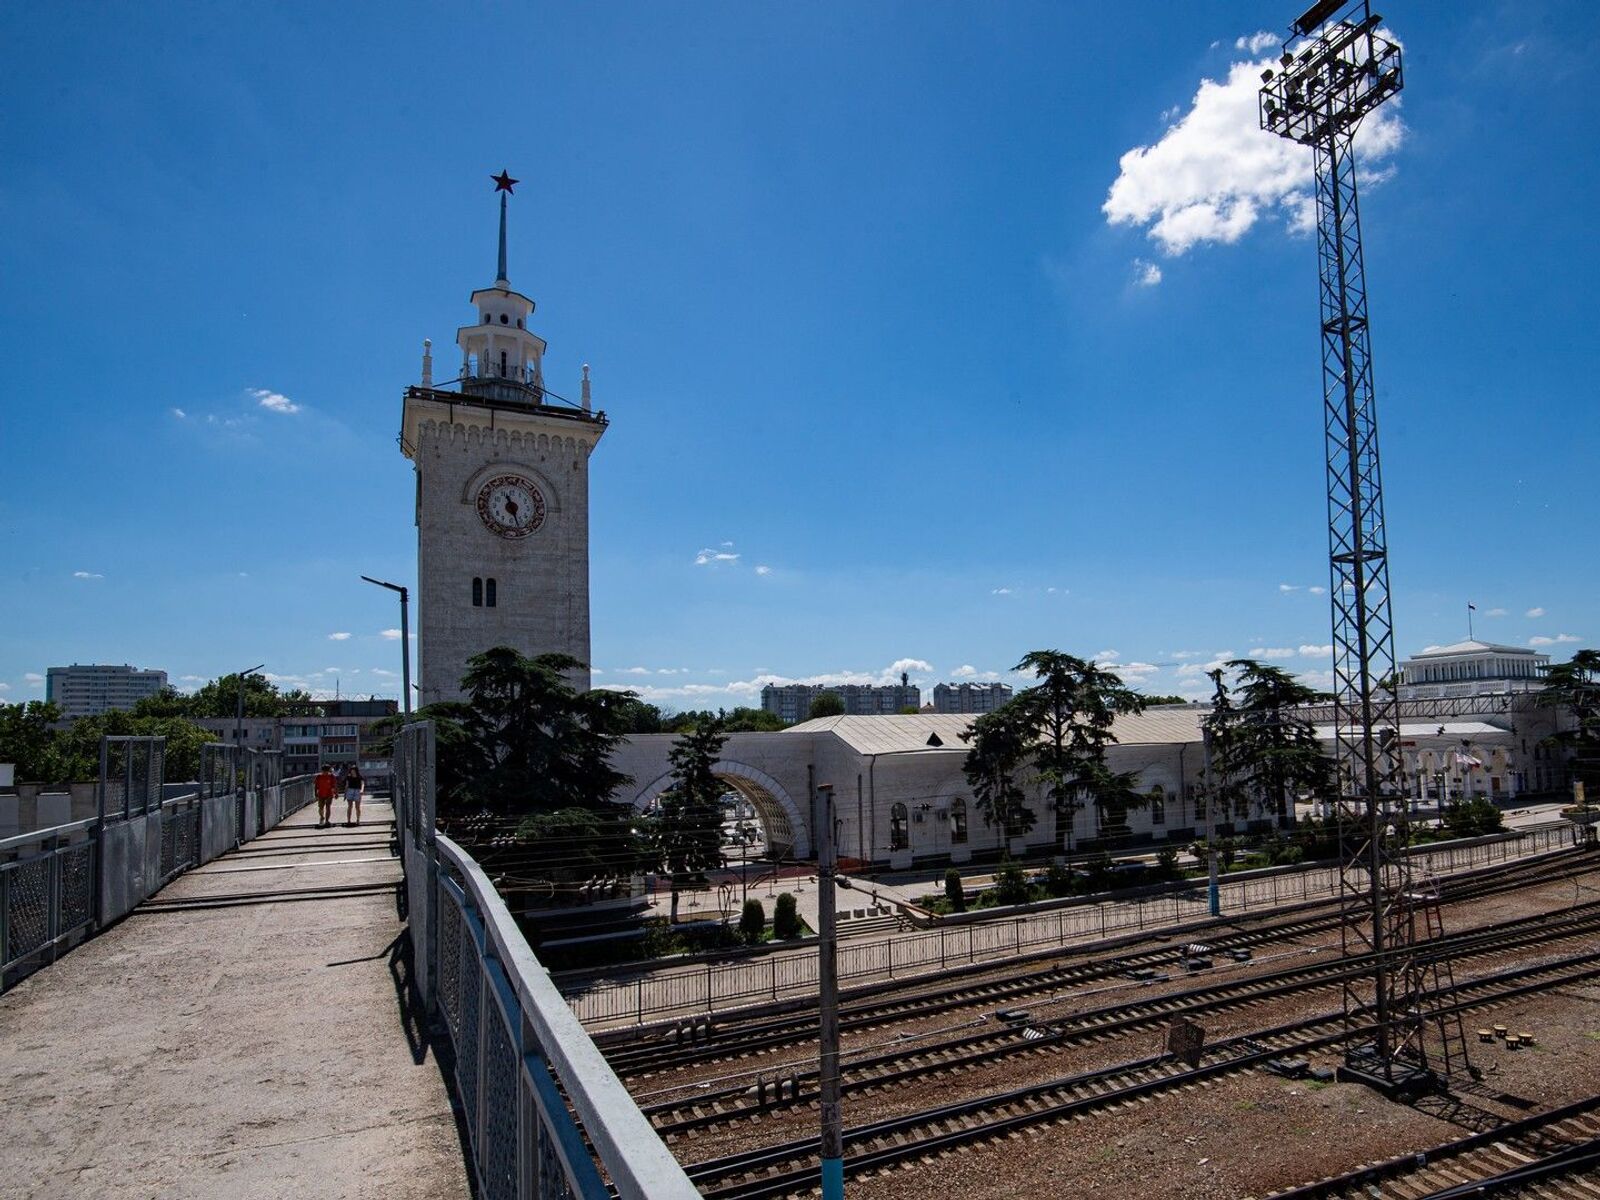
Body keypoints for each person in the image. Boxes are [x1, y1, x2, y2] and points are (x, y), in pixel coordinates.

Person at [314, 764, 338, 828]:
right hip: (321, 794)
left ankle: (327, 820)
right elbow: (316, 785)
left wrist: (336, 793)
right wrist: (315, 793)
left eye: (327, 771)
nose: (325, 772)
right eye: (324, 771)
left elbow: (334, 785)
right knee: (320, 807)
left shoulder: (332, 776)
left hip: (329, 793)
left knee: (328, 807)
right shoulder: (318, 776)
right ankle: (322, 817)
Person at [343, 763, 364, 827]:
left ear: (356, 770)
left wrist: (362, 790)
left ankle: (358, 820)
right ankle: (348, 820)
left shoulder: (360, 777)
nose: (352, 771)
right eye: (351, 770)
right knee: (350, 807)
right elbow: (346, 786)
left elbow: (362, 784)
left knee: (357, 807)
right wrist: (345, 794)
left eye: (353, 770)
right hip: (350, 791)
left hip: (357, 791)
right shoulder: (348, 777)